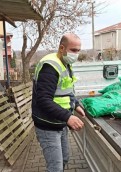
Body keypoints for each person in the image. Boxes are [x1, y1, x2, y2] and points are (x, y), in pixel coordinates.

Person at [32, 33, 85, 172]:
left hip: (59, 123)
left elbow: (66, 91)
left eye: (78, 50)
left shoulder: (65, 64)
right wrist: (68, 117)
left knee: (65, 158)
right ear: (62, 48)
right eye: (74, 50)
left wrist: (76, 105)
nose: (76, 54)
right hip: (47, 126)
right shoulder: (50, 67)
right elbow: (43, 100)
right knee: (55, 168)